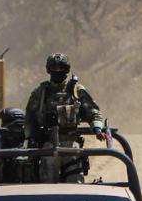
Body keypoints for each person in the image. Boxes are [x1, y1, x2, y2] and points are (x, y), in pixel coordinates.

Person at [25, 53, 107, 182]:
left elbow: (93, 111)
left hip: (71, 144)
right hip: (48, 144)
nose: (57, 71)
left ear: (67, 69)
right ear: (48, 70)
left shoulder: (76, 90)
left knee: (75, 185)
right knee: (46, 186)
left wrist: (97, 128)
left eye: (61, 68)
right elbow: (30, 117)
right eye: (54, 68)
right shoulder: (41, 93)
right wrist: (30, 138)